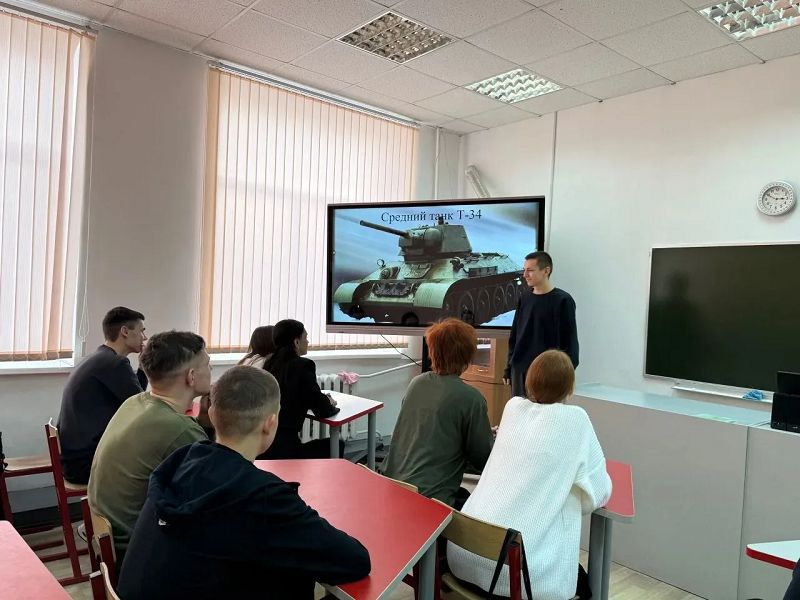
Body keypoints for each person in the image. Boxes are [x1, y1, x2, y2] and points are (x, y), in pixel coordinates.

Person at [117, 366, 371, 600]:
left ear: (212, 414)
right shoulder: (263, 497)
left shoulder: (179, 463)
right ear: (270, 423)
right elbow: (355, 560)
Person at [448, 350, 611, 600]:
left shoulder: (513, 408)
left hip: (464, 554)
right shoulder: (576, 419)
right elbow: (598, 493)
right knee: (583, 585)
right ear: (570, 387)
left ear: (529, 380)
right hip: (515, 574)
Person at [88, 330, 210, 564]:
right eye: (207, 364)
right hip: (138, 553)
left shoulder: (135, 402)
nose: (211, 369)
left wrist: (204, 420)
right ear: (191, 376)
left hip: (110, 538)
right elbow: (212, 493)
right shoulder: (179, 429)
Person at [382, 318, 493, 507]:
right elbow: (482, 459)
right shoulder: (471, 398)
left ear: (432, 350)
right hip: (430, 501)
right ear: (467, 354)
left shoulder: (416, 383)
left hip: (393, 488)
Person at [56, 307, 148, 484]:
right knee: (155, 462)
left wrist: (142, 368)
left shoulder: (99, 358)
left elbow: (135, 399)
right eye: (141, 331)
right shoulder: (115, 363)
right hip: (87, 464)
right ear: (125, 331)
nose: (144, 337)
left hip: (74, 460)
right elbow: (141, 406)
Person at [258, 319, 340, 459]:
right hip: (286, 452)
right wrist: (328, 402)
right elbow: (322, 410)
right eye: (305, 338)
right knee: (337, 445)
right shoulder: (303, 366)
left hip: (262, 447)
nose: (308, 342)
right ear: (296, 342)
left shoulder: (269, 364)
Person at [503, 251, 579, 398]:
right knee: (520, 411)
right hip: (519, 372)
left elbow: (570, 343)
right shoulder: (524, 298)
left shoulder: (563, 301)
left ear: (546, 271)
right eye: (524, 270)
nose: (525, 275)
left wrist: (565, 376)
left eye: (530, 270)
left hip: (547, 375)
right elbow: (515, 337)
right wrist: (508, 368)